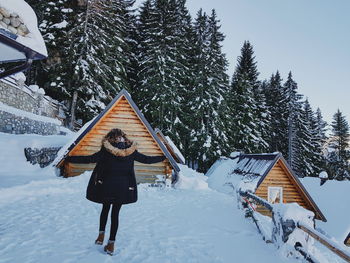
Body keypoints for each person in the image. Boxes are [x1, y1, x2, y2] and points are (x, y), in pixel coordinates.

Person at [65, 128, 166, 255]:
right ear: (124, 138)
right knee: (115, 215)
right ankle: (111, 244)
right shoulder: (131, 151)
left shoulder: (106, 151)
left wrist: (69, 159)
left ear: (110, 138)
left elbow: (90, 159)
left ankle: (101, 236)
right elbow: (147, 159)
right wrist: (162, 158)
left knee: (105, 209)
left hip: (106, 187)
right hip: (122, 189)